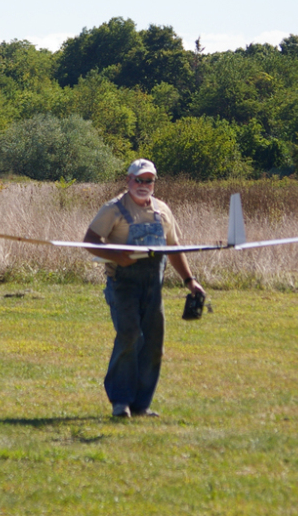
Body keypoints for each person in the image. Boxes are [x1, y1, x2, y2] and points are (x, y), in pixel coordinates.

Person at [82, 158, 206, 418]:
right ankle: (120, 401)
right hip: (122, 283)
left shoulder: (162, 210)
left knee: (152, 344)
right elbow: (90, 241)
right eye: (138, 179)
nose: (142, 184)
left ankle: (140, 405)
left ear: (154, 183)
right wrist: (118, 257)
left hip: (154, 286)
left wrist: (189, 280)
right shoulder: (113, 208)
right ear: (128, 180)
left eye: (148, 180)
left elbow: (174, 247)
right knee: (130, 336)